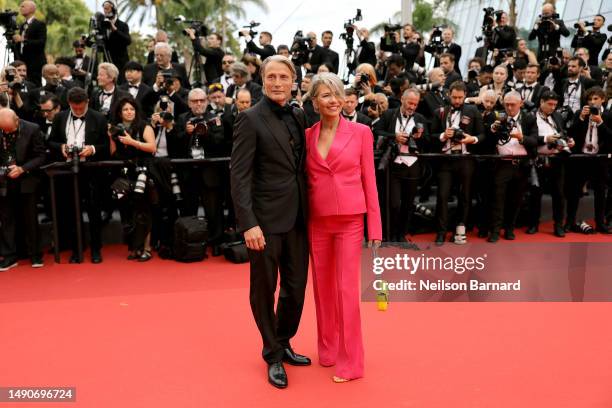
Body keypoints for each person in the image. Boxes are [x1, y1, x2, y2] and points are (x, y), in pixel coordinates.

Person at [231, 55, 310, 389]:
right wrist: (248, 223)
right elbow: (239, 176)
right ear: (262, 80)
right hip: (263, 221)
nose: (277, 83)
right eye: (271, 77)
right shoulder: (249, 119)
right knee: (264, 289)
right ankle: (272, 353)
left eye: (283, 76)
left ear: (293, 80)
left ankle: (285, 339)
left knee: (295, 287)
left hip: (298, 218)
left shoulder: (298, 114)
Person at [305, 72, 381, 382]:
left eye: (337, 94)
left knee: (347, 291)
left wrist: (374, 227)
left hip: (350, 220)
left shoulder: (361, 132)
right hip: (317, 220)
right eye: (326, 95)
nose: (334, 100)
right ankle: (328, 347)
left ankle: (352, 362)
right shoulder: (308, 134)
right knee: (322, 290)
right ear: (315, 102)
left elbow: (370, 181)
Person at [48, 87, 109, 263]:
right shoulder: (60, 118)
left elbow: (107, 147)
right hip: (66, 172)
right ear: (69, 104)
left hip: (90, 171)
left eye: (81, 108)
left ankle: (96, 249)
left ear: (88, 102)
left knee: (94, 212)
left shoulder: (98, 118)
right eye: (75, 108)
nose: (79, 111)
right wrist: (61, 148)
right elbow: (50, 142)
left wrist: (92, 149)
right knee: (71, 212)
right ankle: (77, 249)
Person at [109, 97, 157, 260]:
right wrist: (112, 137)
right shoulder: (116, 129)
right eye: (125, 110)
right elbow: (113, 154)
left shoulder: (145, 126)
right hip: (125, 173)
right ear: (119, 113)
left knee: (143, 210)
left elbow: (152, 147)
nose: (129, 112)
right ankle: (134, 247)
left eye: (132, 109)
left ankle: (147, 247)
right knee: (128, 211)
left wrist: (132, 142)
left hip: (143, 171)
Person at [0, 108, 46, 271]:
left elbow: (41, 156)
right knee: (6, 219)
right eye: (3, 130)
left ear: (17, 120)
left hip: (27, 179)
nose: (6, 132)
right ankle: (9, 256)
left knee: (30, 219)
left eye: (9, 129)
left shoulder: (32, 129)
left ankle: (35, 255)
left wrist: (22, 168)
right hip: (4, 181)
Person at [12, 1, 46, 87]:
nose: (20, 8)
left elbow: (41, 43)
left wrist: (23, 40)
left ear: (31, 9)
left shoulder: (39, 24)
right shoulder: (22, 25)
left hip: (35, 63)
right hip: (23, 62)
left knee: (35, 85)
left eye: (23, 6)